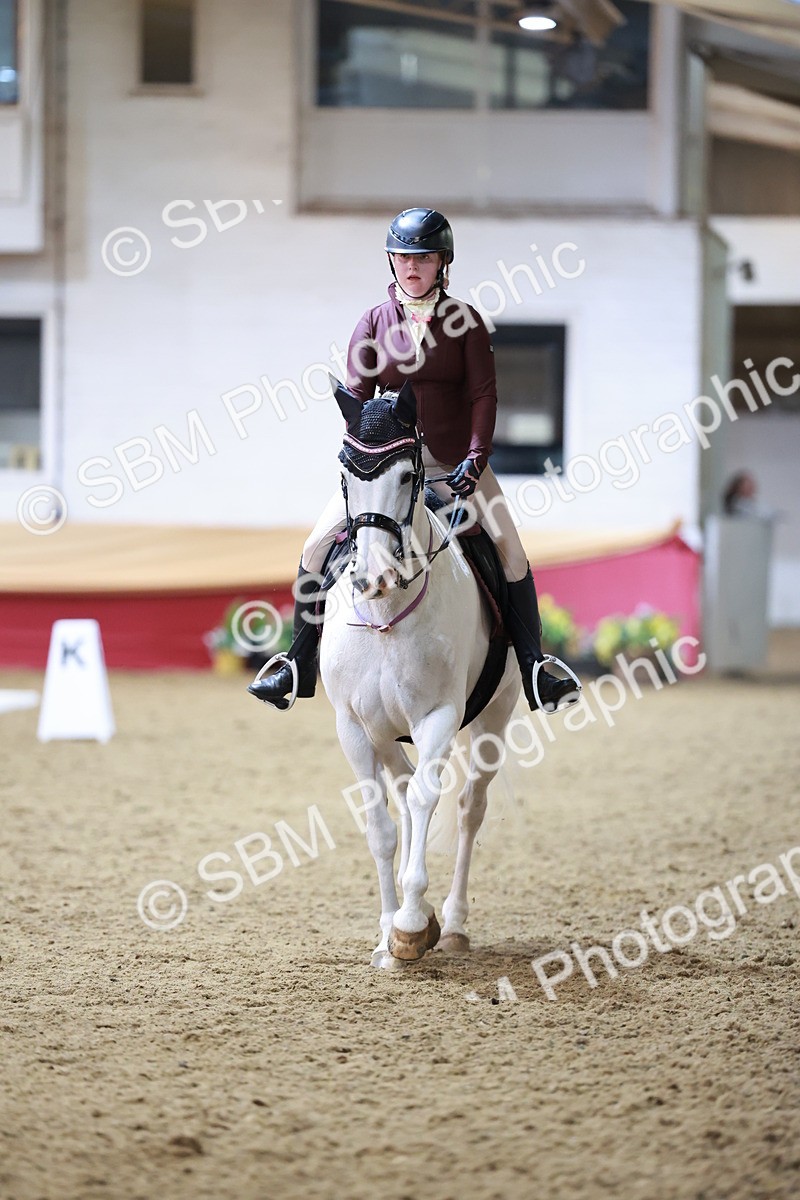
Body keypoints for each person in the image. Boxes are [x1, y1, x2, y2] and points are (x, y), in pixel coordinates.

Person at [249, 207, 579, 713]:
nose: (412, 267)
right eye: (403, 258)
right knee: (316, 546)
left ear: (443, 263)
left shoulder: (464, 322)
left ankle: (535, 667)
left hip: (453, 465)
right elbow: (355, 402)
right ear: (391, 262)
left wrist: (475, 457)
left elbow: (484, 397)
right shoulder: (373, 323)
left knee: (511, 550)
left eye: (423, 258)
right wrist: (367, 459)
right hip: (388, 467)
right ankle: (296, 661)